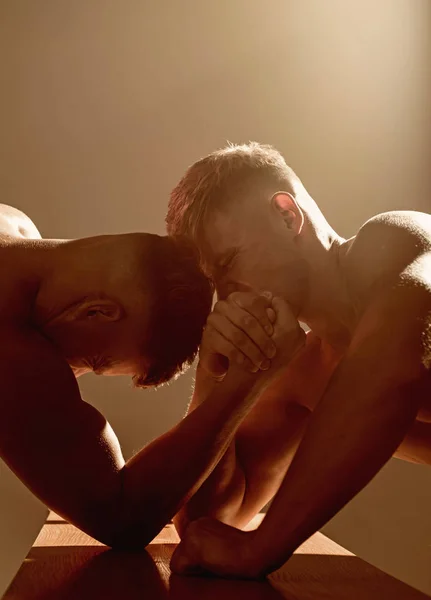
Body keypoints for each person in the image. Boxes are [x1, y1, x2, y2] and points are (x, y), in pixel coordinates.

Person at [165, 142, 431, 578]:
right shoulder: (305, 371)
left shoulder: (397, 241)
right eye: (212, 282)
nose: (226, 295)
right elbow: (211, 518)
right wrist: (215, 380)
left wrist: (261, 549)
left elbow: (391, 373)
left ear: (287, 215)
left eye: (229, 263)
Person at [0, 202, 302, 548]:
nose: (75, 375)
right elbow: (121, 517)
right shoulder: (9, 342)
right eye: (95, 361)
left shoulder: (13, 223)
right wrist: (245, 382)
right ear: (97, 311)